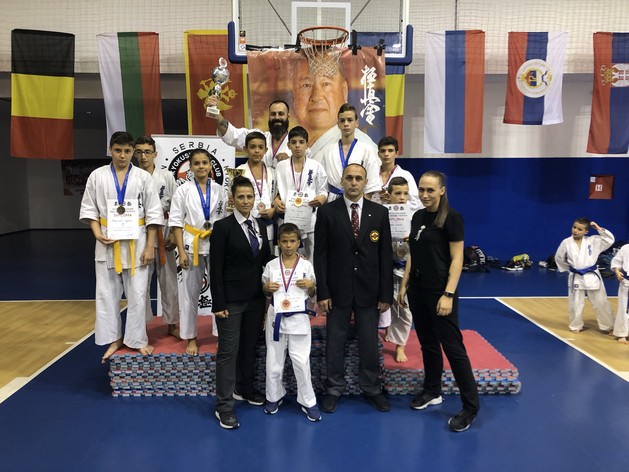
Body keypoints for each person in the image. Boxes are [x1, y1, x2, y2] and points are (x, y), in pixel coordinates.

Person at [398, 170, 479, 432]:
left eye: (430, 190)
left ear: (442, 190)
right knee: (428, 344)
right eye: (421, 189)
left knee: (453, 348)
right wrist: (404, 283)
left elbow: (457, 258)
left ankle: (470, 408)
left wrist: (448, 294)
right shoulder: (418, 216)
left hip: (440, 292)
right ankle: (432, 391)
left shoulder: (452, 218)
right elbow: (413, 253)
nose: (425, 194)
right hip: (417, 290)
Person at [314, 163, 393, 413]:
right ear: (342, 181)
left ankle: (372, 388)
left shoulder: (379, 213)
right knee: (335, 342)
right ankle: (333, 388)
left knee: (369, 342)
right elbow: (320, 256)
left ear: (365, 182)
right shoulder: (327, 212)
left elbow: (385, 256)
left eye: (359, 178)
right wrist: (323, 292)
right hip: (337, 290)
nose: (354, 182)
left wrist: (386, 293)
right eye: (349, 178)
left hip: (369, 289)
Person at [79, 131, 163, 363]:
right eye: (118, 150)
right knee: (106, 294)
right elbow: (89, 209)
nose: (122, 156)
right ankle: (113, 339)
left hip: (137, 241)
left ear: (133, 152)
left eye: (127, 151)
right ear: (110, 150)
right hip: (107, 241)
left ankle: (136, 339)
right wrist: (97, 233)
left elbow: (153, 213)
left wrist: (150, 246)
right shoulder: (97, 176)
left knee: (138, 294)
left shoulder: (143, 177)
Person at [210, 175, 273, 429]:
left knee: (249, 348)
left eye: (249, 196)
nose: (246, 201)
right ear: (232, 199)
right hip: (231, 302)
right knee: (228, 353)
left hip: (256, 299)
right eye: (241, 197)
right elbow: (215, 268)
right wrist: (218, 303)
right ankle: (223, 406)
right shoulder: (222, 227)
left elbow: (265, 261)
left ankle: (244, 389)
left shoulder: (260, 225)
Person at [169, 148, 228, 355]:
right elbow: (176, 223)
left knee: (220, 290)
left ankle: (221, 334)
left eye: (204, 162)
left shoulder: (220, 190)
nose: (201, 166)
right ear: (190, 167)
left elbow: (225, 219)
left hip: (216, 244)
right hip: (191, 244)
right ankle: (191, 337)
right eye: (197, 163)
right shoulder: (182, 191)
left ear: (210, 165)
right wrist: (181, 252)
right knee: (189, 292)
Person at [261, 223, 321, 421]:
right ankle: (273, 397)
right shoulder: (271, 265)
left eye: (292, 241)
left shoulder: (306, 265)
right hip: (276, 318)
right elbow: (264, 290)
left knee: (301, 362)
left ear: (298, 243)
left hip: (298, 317)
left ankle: (308, 401)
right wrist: (267, 288)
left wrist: (311, 286)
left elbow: (312, 292)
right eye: (284, 241)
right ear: (278, 242)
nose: (288, 245)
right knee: (274, 362)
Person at [134, 136, 180, 337]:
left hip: (164, 232)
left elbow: (176, 207)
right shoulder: (131, 177)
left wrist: (175, 235)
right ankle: (141, 325)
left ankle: (172, 323)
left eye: (147, 152)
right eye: (139, 152)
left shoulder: (166, 176)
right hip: (140, 234)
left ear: (155, 154)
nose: (143, 156)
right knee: (140, 283)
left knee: (169, 282)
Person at [291, 53, 377, 160]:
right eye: (306, 85)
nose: (316, 96)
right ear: (294, 94)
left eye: (326, 84)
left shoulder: (364, 147)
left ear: (344, 90)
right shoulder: (290, 147)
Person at [273, 126, 328, 262]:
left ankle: (311, 276)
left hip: (309, 218)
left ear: (307, 145)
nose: (297, 146)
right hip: (288, 217)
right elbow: (275, 191)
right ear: (288, 145)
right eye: (294, 142)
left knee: (312, 256)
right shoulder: (280, 166)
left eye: (301, 142)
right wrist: (276, 201)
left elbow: (323, 190)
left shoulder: (316, 166)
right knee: (287, 255)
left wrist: (322, 198)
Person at [554, 218, 615, 334]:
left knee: (601, 302)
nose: (575, 230)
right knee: (575, 303)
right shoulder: (566, 242)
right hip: (576, 275)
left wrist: (598, 229)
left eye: (579, 229)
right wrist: (570, 269)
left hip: (592, 275)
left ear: (586, 231)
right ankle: (576, 325)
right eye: (574, 227)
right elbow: (559, 258)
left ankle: (608, 325)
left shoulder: (593, 241)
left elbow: (609, 240)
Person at [316, 103, 381, 200]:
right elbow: (322, 181)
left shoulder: (366, 149)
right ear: (338, 124)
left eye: (350, 120)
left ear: (356, 123)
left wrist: (364, 204)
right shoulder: (328, 151)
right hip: (334, 200)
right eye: (342, 120)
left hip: (358, 199)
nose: (346, 124)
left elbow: (372, 183)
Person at [206, 94, 291, 168]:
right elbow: (231, 133)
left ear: (288, 116)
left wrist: (291, 161)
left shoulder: (295, 141)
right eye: (273, 114)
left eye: (281, 114)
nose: (276, 117)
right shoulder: (258, 137)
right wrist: (215, 111)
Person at [381, 177, 414, 363]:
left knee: (404, 307)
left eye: (405, 194)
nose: (402, 197)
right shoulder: (381, 214)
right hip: (384, 268)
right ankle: (388, 329)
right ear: (389, 195)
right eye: (398, 193)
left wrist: (412, 239)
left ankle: (400, 346)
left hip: (404, 269)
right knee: (384, 305)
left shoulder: (414, 217)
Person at [236, 131, 277, 244]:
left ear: (266, 150)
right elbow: (231, 199)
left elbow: (278, 196)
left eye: (260, 147)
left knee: (267, 253)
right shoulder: (238, 172)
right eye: (252, 147)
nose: (257, 151)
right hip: (245, 223)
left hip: (268, 224)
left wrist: (274, 210)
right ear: (245, 149)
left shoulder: (273, 172)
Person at [370, 136, 421, 212]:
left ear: (396, 153)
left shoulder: (406, 175)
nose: (386, 154)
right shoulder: (371, 175)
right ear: (378, 154)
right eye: (383, 151)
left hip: (399, 217)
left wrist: (393, 201)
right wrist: (377, 199)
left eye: (390, 151)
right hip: (376, 215)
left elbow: (416, 203)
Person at [611, 243, 629, 343]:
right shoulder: (626, 248)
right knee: (623, 309)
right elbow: (616, 262)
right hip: (626, 282)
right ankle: (622, 333)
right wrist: (617, 272)